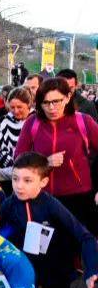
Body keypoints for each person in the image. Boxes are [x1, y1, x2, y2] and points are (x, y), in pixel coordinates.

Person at [0, 153, 98, 288]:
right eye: (15, 178)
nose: (19, 185)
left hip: (55, 268)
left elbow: (85, 236)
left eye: (27, 180)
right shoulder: (8, 205)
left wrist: (91, 269)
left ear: (43, 181)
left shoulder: (51, 205)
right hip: (25, 267)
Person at [14, 76, 98, 234]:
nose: (51, 108)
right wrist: (45, 162)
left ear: (67, 98)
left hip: (78, 198)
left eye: (56, 101)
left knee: (75, 249)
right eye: (46, 103)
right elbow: (19, 159)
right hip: (41, 196)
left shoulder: (83, 121)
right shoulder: (32, 123)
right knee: (41, 250)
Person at [0, 87, 32, 188]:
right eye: (12, 107)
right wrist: (13, 165)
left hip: (32, 171)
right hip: (8, 175)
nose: (15, 111)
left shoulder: (37, 121)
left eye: (19, 107)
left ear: (28, 104)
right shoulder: (3, 122)